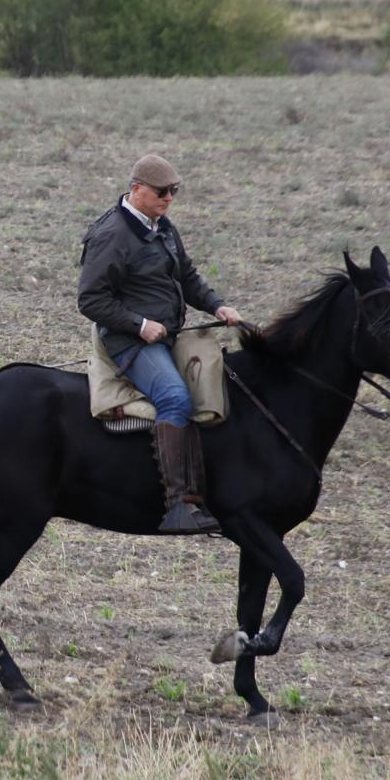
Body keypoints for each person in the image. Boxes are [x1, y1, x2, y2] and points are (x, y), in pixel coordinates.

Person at [78, 154, 242, 534]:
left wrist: (217, 305)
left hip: (168, 333)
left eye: (175, 191)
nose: (170, 198)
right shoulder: (112, 236)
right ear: (137, 189)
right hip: (130, 342)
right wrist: (139, 325)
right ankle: (179, 505)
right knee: (175, 399)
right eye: (162, 191)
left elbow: (186, 276)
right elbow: (90, 300)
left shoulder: (161, 226)